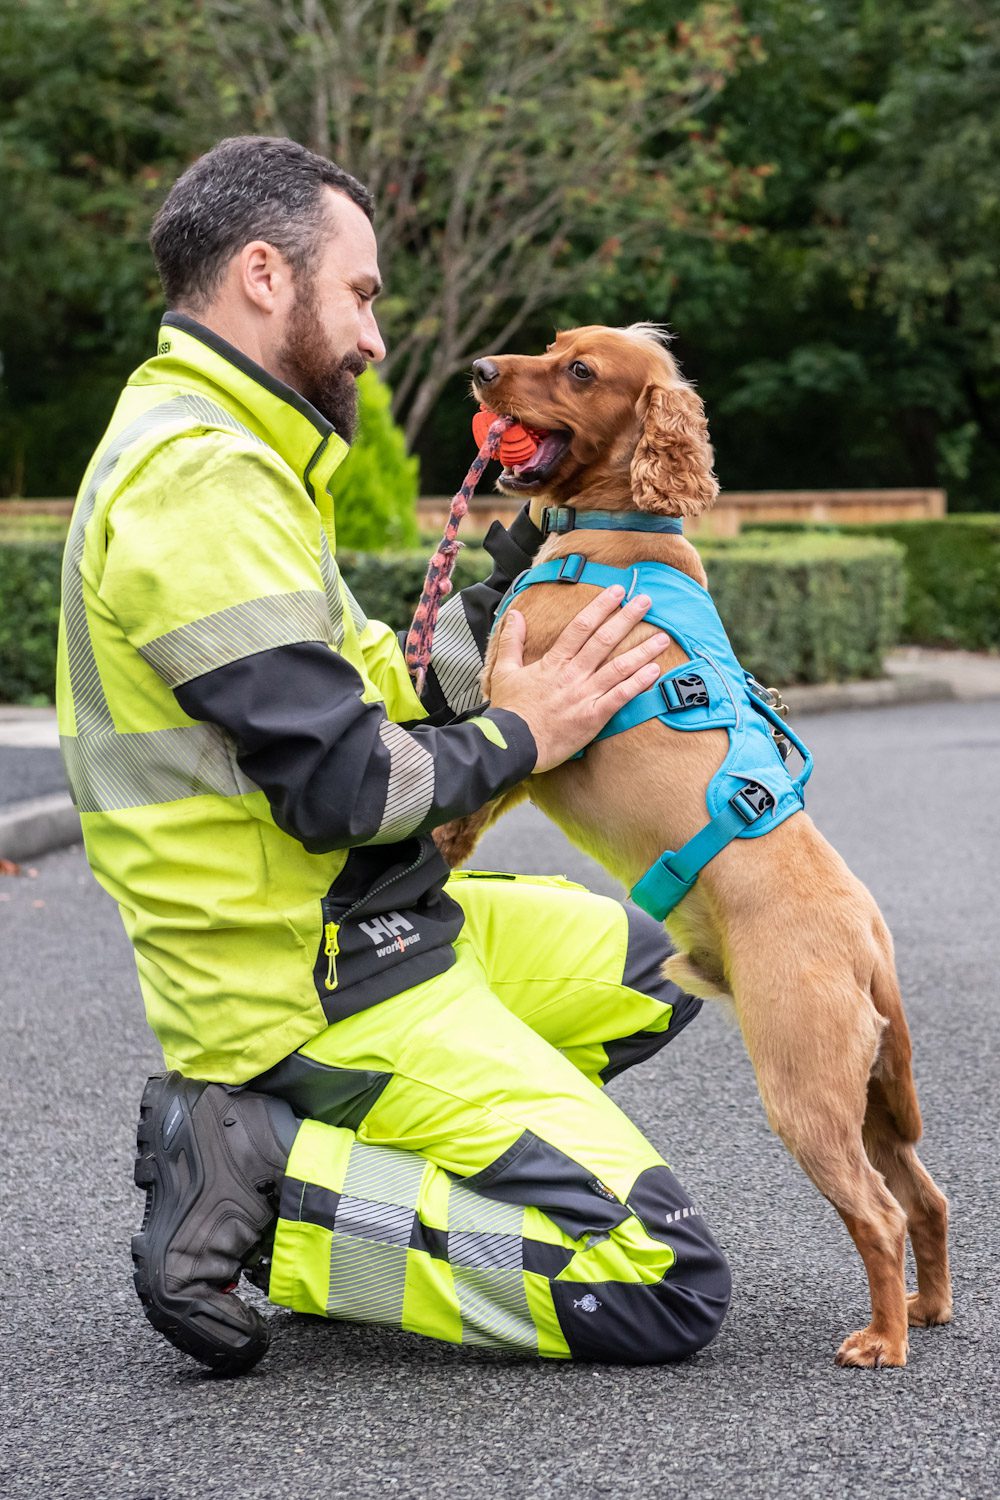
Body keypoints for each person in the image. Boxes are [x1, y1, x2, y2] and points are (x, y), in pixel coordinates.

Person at [57, 135, 731, 1375]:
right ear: (265, 274)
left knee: (666, 965)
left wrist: (536, 563)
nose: (374, 336)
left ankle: (366, 1162)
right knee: (658, 1278)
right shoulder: (195, 481)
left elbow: (389, 687)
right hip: (297, 972)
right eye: (360, 294)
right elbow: (348, 786)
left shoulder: (247, 457)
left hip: (371, 922)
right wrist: (534, 733)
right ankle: (273, 1183)